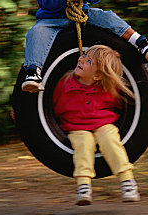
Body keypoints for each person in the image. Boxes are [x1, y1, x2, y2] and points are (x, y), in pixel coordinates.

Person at [53, 44, 140, 205]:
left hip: (103, 123)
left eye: (88, 61)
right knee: (84, 144)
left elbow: (122, 108)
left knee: (110, 139)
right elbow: (48, 108)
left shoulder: (108, 89)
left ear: (98, 76)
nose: (81, 59)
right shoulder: (65, 83)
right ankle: (83, 185)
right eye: (84, 55)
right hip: (76, 126)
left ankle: (127, 181)